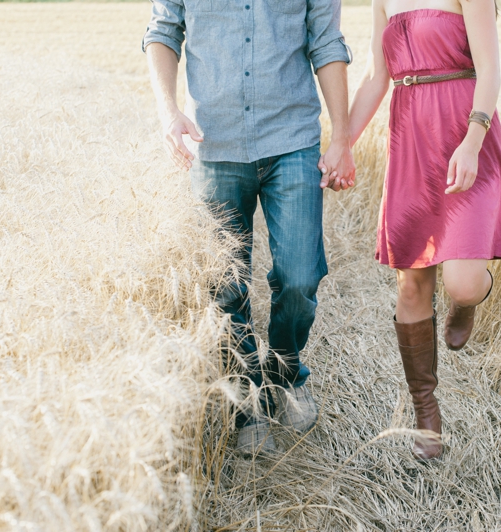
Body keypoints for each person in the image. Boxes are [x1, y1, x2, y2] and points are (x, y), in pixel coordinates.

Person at [142, 0, 356, 456]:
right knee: (224, 287)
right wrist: (168, 112)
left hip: (292, 141)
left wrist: (341, 137)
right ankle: (247, 403)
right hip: (213, 142)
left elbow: (326, 41)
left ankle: (284, 371)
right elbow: (162, 31)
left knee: (300, 277)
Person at [347, 0, 501, 460]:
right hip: (410, 143)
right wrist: (343, 143)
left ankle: (470, 296)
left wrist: (473, 141)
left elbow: (491, 71)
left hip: (464, 138)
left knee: (461, 282)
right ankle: (426, 413)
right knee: (413, 285)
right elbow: (378, 78)